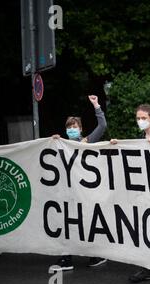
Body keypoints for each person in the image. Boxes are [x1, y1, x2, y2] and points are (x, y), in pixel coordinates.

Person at [111, 103, 150, 283]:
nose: (140, 121)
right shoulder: (139, 138)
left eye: (143, 118)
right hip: (143, 189)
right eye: (138, 118)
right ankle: (149, 267)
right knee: (145, 229)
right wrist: (117, 145)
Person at [50, 95, 108, 272]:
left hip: (83, 192)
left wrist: (96, 105)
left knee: (84, 223)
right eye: (69, 127)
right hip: (67, 192)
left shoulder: (87, 141)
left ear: (80, 129)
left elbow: (103, 126)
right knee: (67, 223)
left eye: (74, 127)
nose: (72, 130)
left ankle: (92, 255)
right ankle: (68, 258)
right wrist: (52, 142)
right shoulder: (61, 143)